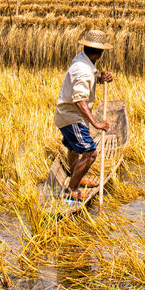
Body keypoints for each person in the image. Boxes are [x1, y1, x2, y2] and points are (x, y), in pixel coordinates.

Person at [52, 29, 114, 201]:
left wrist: (101, 78)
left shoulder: (82, 60)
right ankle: (70, 189)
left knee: (74, 147)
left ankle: (75, 176)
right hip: (71, 116)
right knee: (90, 152)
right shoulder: (83, 70)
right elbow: (79, 100)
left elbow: (87, 81)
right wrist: (95, 123)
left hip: (66, 114)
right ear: (100, 52)